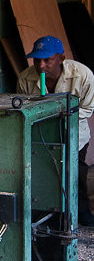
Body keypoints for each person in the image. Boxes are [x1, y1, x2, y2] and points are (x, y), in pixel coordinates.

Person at [16, 35, 94, 226]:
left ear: (61, 58)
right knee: (45, 173)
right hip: (41, 135)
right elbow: (23, 110)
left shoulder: (83, 75)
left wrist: (60, 113)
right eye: (37, 60)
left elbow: (88, 108)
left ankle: (81, 211)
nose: (41, 66)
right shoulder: (26, 78)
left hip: (75, 133)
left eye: (47, 60)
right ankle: (47, 214)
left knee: (74, 172)